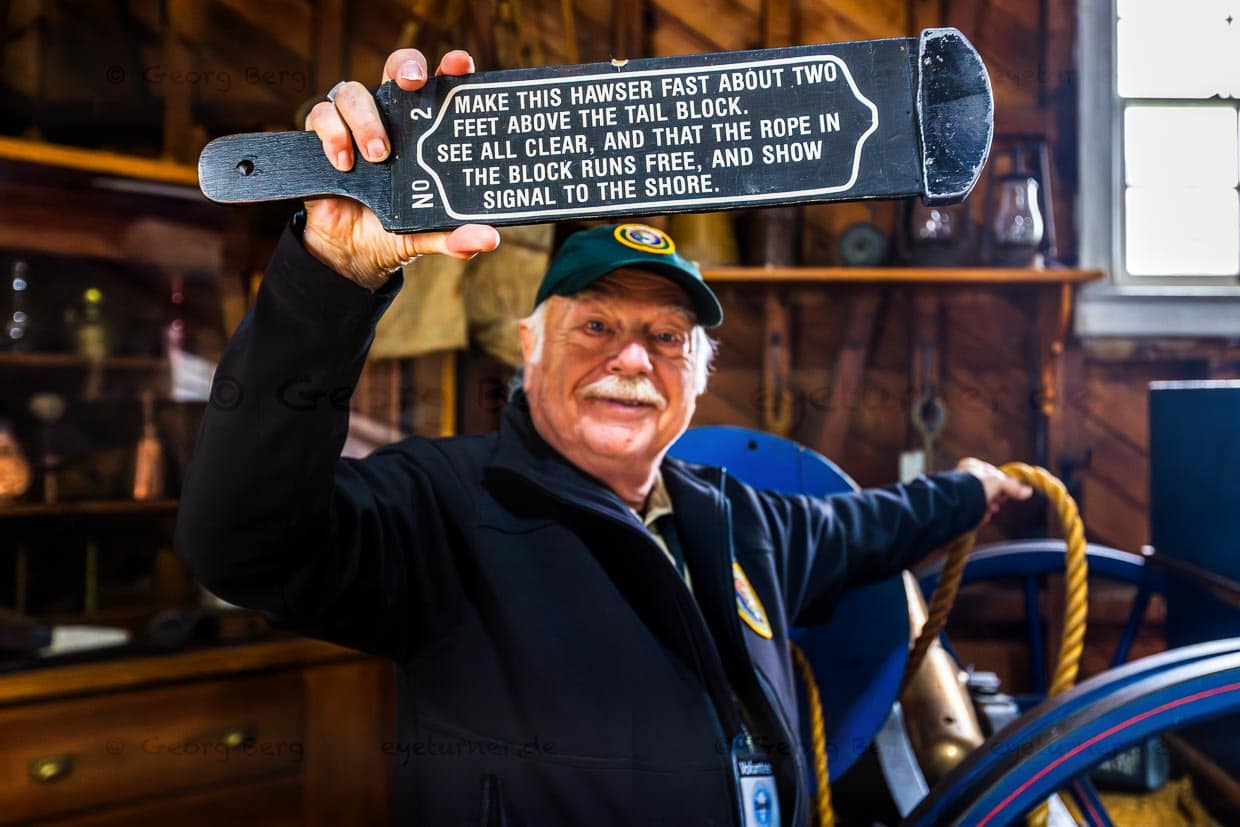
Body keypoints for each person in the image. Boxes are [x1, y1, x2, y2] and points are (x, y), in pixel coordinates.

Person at [174, 47, 1031, 827]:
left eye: (668, 338)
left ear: (699, 372)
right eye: (594, 326)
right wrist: (330, 274)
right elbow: (244, 543)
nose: (632, 358)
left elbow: (869, 528)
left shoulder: (746, 523)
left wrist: (973, 487)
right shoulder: (440, 510)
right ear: (529, 346)